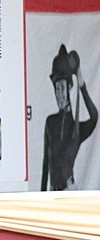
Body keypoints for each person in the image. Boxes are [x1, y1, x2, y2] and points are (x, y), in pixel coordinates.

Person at [42, 45, 97, 191]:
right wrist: (39, 196)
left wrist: (81, 84)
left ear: (69, 88)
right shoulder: (50, 122)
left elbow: (94, 116)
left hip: (69, 191)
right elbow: (46, 163)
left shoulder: (77, 129)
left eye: (62, 87)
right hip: (52, 193)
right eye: (56, 88)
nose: (59, 94)